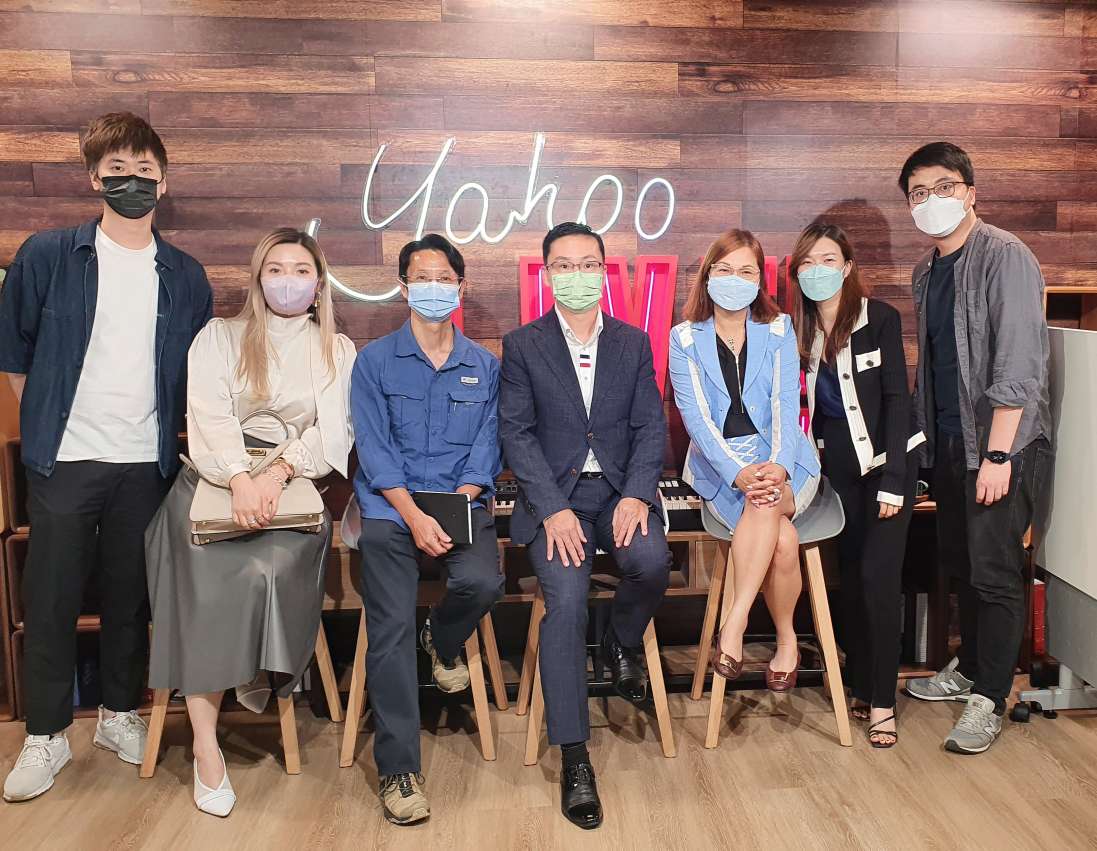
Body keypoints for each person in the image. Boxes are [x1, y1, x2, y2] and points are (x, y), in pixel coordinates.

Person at [0, 113, 212, 803]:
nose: (132, 181)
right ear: (95, 177)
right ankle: (46, 734)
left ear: (164, 181)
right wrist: (50, 425)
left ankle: (120, 713)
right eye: (117, 170)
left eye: (145, 171)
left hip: (145, 462)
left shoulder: (185, 275)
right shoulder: (48, 255)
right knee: (52, 596)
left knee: (129, 595)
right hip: (64, 459)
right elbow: (16, 356)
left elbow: (195, 372)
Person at [145, 228, 355, 816]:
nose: (288, 280)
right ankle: (205, 746)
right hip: (211, 490)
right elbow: (208, 415)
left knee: (271, 569)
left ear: (319, 283)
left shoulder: (336, 349)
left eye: (301, 270)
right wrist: (239, 479)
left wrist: (277, 474)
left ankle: (253, 668)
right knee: (208, 583)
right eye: (275, 269)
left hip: (289, 492)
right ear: (258, 279)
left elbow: (335, 430)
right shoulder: (220, 337)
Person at [499, 221, 671, 831]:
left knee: (651, 563)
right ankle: (575, 756)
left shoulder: (632, 342)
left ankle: (621, 641)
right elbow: (517, 433)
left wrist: (637, 494)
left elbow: (650, 426)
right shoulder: (523, 345)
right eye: (565, 265)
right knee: (567, 603)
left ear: (605, 271)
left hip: (618, 492)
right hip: (558, 500)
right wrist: (552, 508)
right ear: (548, 274)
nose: (578, 275)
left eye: (588, 264)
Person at [899, 142, 1053, 755]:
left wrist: (998, 456)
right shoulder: (926, 271)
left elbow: (1019, 363)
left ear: (970, 193)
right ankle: (968, 669)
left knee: (995, 573)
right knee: (962, 564)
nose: (930, 201)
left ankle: (991, 696)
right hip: (949, 444)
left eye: (943, 187)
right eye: (918, 193)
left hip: (999, 448)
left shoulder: (1005, 256)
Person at [351, 234, 503, 826]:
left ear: (462, 287)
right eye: (422, 278)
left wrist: (457, 505)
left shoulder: (483, 366)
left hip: (460, 502)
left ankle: (439, 638)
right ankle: (399, 771)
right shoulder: (374, 362)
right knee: (388, 630)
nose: (433, 288)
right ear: (403, 287)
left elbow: (486, 450)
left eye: (444, 279)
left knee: (482, 583)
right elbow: (374, 449)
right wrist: (414, 516)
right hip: (391, 509)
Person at [668, 229, 820, 691]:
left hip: (785, 459)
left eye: (746, 271)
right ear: (708, 275)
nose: (735, 279)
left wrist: (778, 465)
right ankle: (787, 640)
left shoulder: (777, 329)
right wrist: (737, 472)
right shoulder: (684, 338)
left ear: (759, 281)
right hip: (722, 469)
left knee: (767, 497)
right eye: (725, 269)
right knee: (783, 540)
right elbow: (696, 420)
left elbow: (785, 406)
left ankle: (733, 624)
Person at [791, 222, 923, 748]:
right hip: (837, 473)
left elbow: (897, 400)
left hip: (888, 466)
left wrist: (894, 481)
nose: (817, 271)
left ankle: (884, 701)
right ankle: (863, 686)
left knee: (879, 579)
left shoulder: (879, 318)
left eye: (828, 260)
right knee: (849, 578)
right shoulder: (796, 330)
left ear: (847, 267)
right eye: (807, 262)